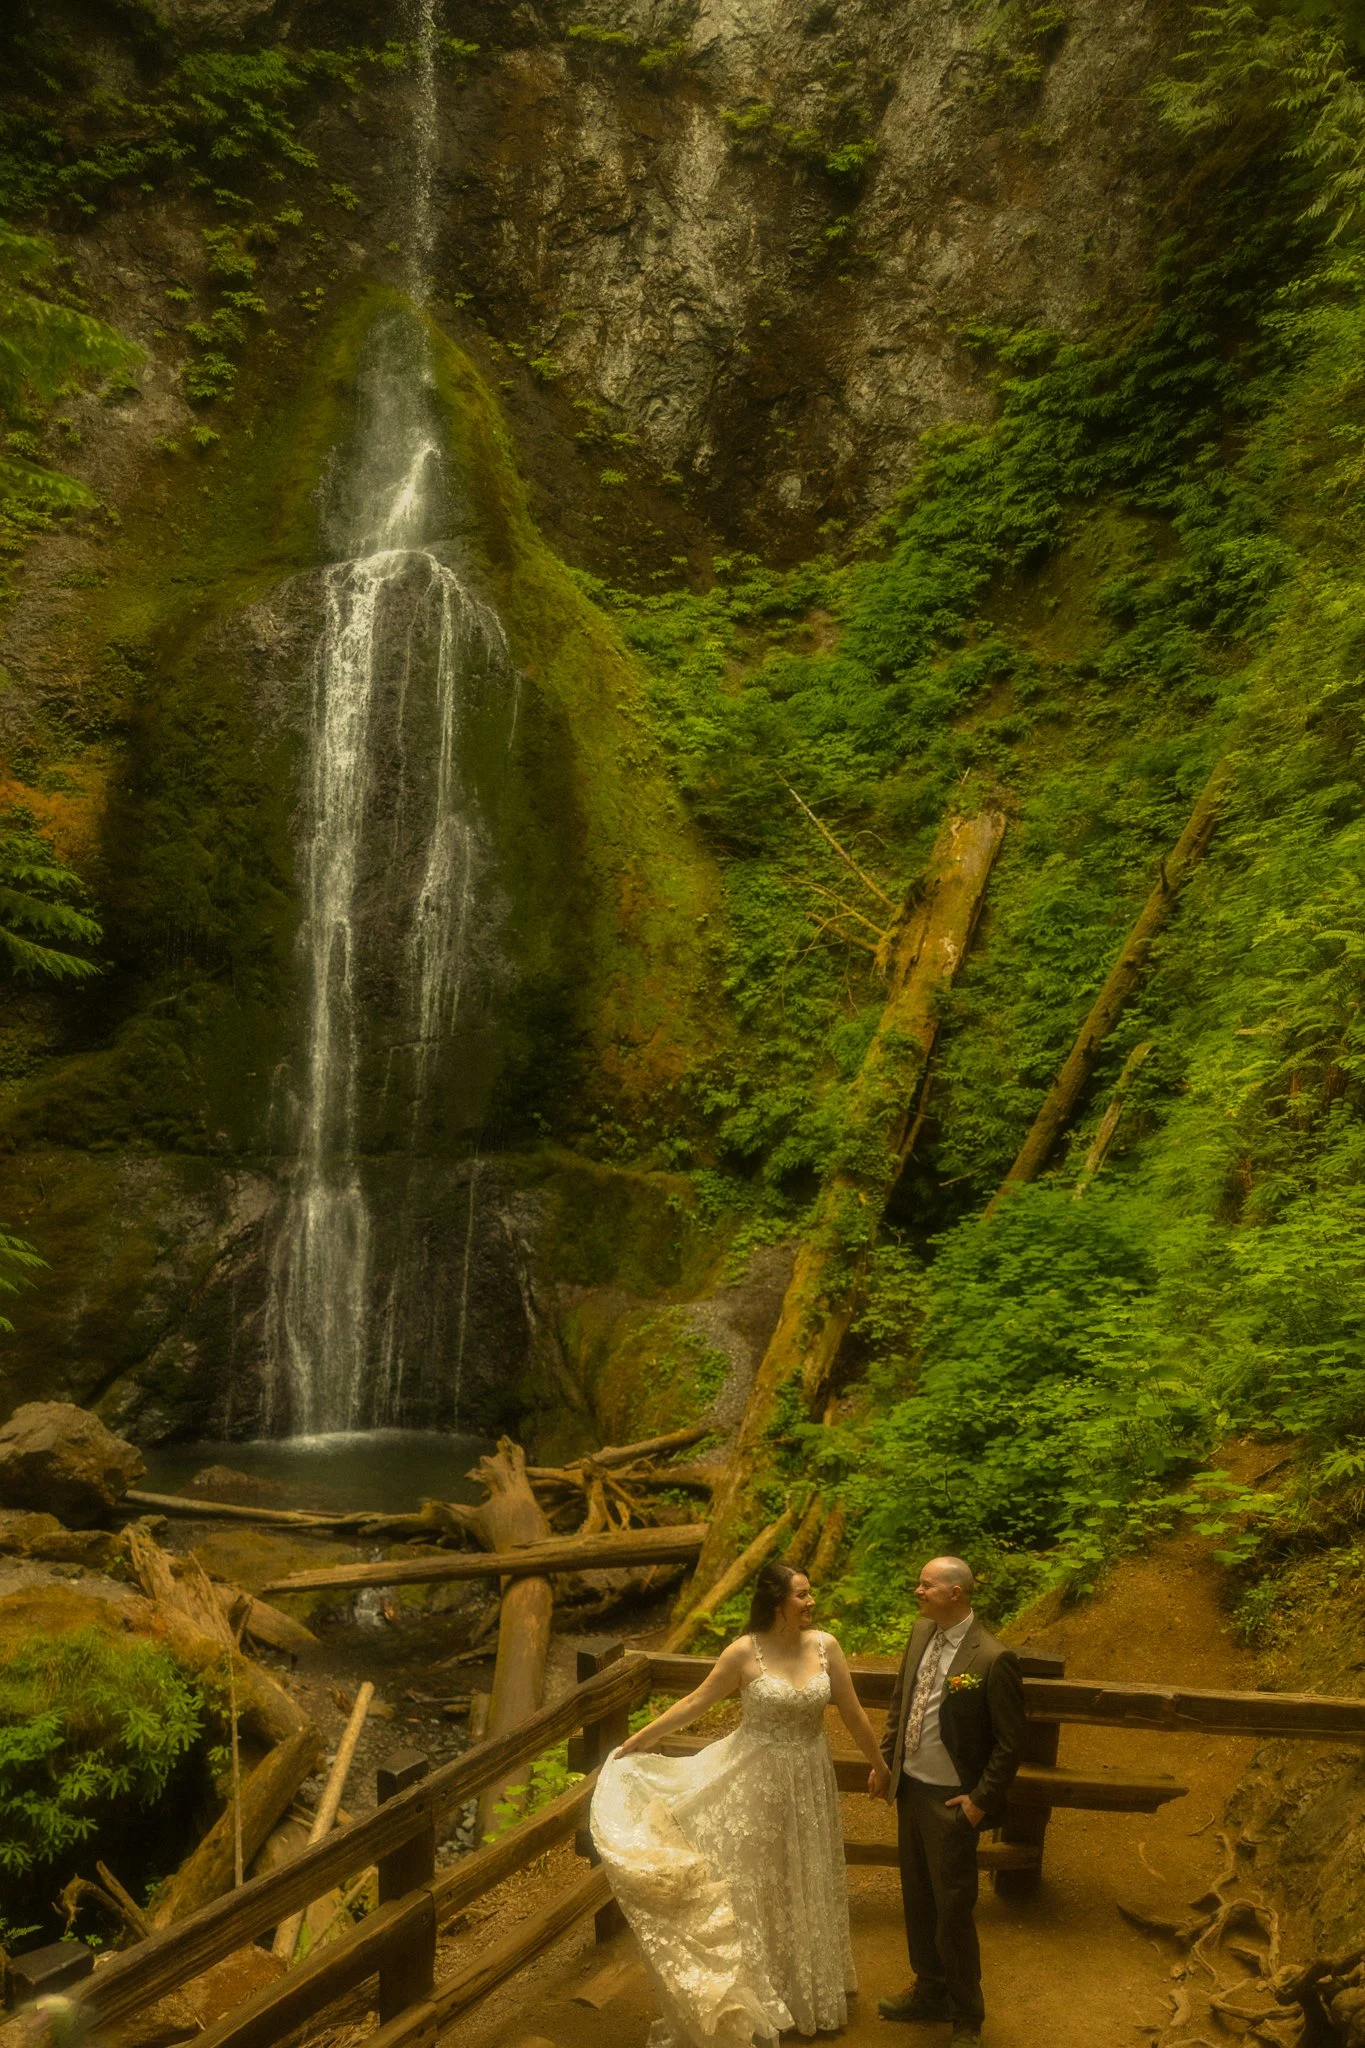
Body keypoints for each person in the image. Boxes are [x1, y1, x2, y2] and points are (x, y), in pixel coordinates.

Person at [591, 1559, 891, 2048]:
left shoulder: (826, 1646)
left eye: (809, 1592)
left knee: (807, 1874)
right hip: (753, 1779)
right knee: (759, 1884)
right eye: (801, 1594)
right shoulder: (743, 1653)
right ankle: (763, 1998)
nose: (811, 1601)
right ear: (776, 1602)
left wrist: (879, 1764)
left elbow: (854, 1712)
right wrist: (640, 1740)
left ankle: (809, 1992)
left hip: (810, 1781)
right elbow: (695, 1703)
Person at [874, 1557, 1025, 2047]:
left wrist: (980, 1801)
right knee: (918, 1898)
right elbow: (902, 1700)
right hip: (911, 1790)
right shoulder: (922, 1633)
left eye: (927, 1585)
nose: (918, 1591)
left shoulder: (992, 1658)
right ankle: (929, 1990)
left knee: (953, 1907)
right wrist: (887, 1761)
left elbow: (1009, 1743)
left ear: (955, 1593)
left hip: (952, 1801)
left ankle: (966, 2016)